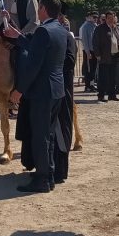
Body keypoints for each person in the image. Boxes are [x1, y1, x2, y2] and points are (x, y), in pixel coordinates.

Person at [5, 0, 67, 192]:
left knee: (40, 137)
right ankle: (47, 174)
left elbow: (33, 64)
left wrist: (19, 91)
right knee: (47, 135)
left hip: (41, 92)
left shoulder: (42, 31)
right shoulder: (60, 29)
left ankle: (41, 180)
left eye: (39, 8)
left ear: (43, 10)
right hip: (56, 89)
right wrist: (19, 36)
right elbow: (39, 49)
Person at [54, 12, 78, 185]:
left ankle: (60, 171)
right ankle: (51, 166)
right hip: (53, 90)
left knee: (61, 131)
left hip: (62, 90)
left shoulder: (67, 38)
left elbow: (69, 63)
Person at [92, 11, 119, 102]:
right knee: (103, 77)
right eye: (108, 18)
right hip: (104, 56)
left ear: (114, 18)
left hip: (115, 56)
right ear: (106, 18)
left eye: (112, 17)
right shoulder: (100, 28)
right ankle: (101, 95)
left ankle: (112, 95)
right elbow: (95, 42)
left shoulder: (118, 29)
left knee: (113, 77)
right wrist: (97, 54)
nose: (110, 19)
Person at [78, 12, 98, 92]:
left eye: (96, 17)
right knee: (88, 69)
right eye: (94, 17)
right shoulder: (85, 26)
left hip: (94, 51)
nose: (95, 18)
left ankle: (92, 84)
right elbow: (85, 40)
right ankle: (87, 85)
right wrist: (87, 52)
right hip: (88, 51)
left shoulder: (95, 26)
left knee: (93, 69)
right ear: (89, 17)